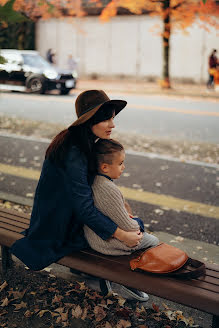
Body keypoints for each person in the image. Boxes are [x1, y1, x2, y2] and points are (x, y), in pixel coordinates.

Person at [10, 90, 147, 301]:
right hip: (58, 225)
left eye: (112, 118)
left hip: (60, 215)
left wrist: (122, 209)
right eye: (106, 118)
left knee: (131, 226)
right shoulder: (74, 151)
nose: (112, 124)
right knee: (136, 233)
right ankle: (120, 279)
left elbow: (93, 189)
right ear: (90, 119)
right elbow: (83, 207)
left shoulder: (79, 140)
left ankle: (105, 276)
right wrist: (121, 234)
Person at [84, 138, 159, 256]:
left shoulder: (94, 180)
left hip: (95, 238)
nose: (123, 167)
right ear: (105, 167)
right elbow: (130, 227)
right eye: (120, 163)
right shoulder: (108, 188)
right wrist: (138, 222)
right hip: (108, 244)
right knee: (154, 241)